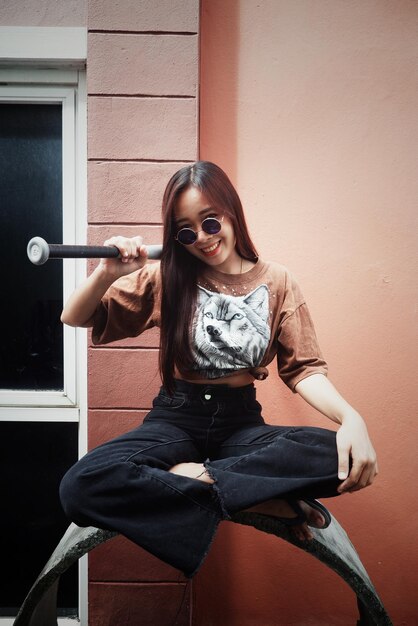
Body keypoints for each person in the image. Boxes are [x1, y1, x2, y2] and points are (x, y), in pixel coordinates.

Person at [59, 161, 377, 578]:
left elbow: (304, 370)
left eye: (211, 221)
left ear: (231, 211)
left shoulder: (278, 281)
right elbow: (75, 316)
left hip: (241, 424)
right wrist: (107, 272)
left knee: (335, 455)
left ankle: (200, 480)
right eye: (187, 232)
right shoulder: (167, 277)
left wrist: (351, 418)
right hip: (175, 418)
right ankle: (257, 496)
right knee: (81, 485)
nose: (203, 239)